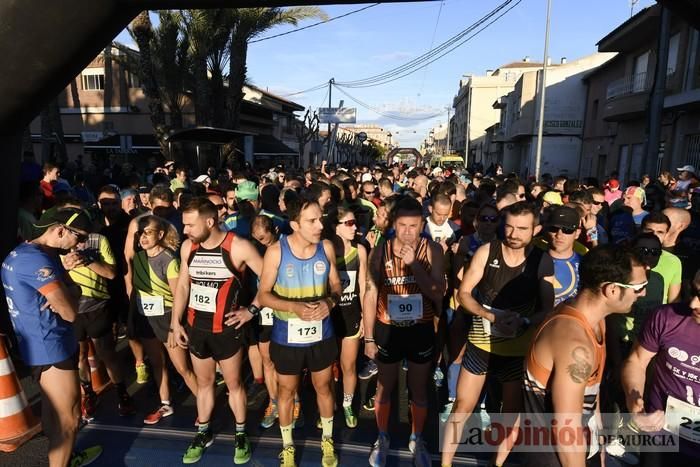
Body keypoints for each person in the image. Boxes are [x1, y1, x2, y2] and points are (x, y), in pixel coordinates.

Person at [441, 201, 555, 467]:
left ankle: (497, 463)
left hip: (516, 353)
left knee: (510, 416)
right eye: (510, 227)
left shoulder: (541, 259)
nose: (514, 234)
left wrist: (524, 321)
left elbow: (548, 310)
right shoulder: (486, 251)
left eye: (522, 229)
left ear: (535, 230)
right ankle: (445, 464)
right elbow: (464, 294)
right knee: (461, 407)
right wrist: (490, 316)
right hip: (481, 346)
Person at [520, 245, 647, 467]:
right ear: (612, 290)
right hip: (556, 457)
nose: (643, 293)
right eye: (639, 287)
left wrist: (598, 445)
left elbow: (590, 392)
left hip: (585, 447)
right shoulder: (574, 345)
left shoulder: (596, 321)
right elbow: (566, 431)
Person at [1, 208, 102, 467]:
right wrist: (71, 292)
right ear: (60, 230)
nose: (79, 246)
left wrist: (70, 290)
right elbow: (69, 312)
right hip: (51, 345)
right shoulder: (37, 262)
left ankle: (66, 457)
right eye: (79, 238)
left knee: (53, 416)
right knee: (69, 420)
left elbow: (69, 294)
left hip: (40, 343)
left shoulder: (28, 253)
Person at [170, 198, 263, 464]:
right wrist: (176, 323)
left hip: (226, 330)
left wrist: (251, 311)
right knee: (204, 383)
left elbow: (270, 278)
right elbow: (184, 287)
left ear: (209, 222)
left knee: (234, 384)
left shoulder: (238, 246)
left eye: (190, 224)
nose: (185, 229)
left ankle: (241, 433)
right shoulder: (188, 247)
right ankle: (203, 432)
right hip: (196, 328)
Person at [258, 196, 341, 467]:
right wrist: (293, 307)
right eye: (312, 221)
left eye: (321, 219)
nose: (320, 225)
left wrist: (330, 302)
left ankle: (327, 440)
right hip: (287, 336)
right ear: (295, 224)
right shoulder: (276, 252)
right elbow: (264, 295)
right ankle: (288, 446)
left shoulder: (326, 247)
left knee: (323, 387)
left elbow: (337, 286)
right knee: (286, 391)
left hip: (322, 333)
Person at [364, 196, 446, 467]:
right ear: (393, 225)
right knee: (384, 387)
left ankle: (417, 437)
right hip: (388, 328)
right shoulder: (381, 251)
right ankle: (383, 436)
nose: (408, 232)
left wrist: (414, 265)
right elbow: (370, 293)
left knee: (419, 390)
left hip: (420, 328)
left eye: (414, 226)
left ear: (422, 224)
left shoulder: (432, 250)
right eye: (402, 225)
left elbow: (437, 292)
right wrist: (368, 337)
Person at [621, 269, 700, 465]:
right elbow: (636, 361)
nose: (693, 304)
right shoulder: (666, 317)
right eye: (694, 291)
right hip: (659, 436)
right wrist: (635, 405)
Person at [130, 215, 198, 425]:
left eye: (148, 232)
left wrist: (174, 326)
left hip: (168, 317)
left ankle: (204, 406)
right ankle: (165, 403)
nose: (143, 237)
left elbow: (179, 294)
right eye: (141, 233)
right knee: (158, 364)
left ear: (160, 234)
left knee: (182, 368)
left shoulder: (169, 259)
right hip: (147, 318)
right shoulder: (138, 257)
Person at [329, 207, 367, 428]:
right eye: (349, 223)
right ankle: (328, 406)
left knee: (349, 365)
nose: (354, 227)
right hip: (330, 316)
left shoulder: (359, 251)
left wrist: (364, 316)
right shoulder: (325, 250)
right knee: (326, 367)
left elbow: (363, 286)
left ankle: (347, 403)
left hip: (351, 313)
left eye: (355, 223)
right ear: (336, 226)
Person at [535, 206, 584, 305]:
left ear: (577, 233)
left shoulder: (585, 264)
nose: (559, 234)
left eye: (567, 230)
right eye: (554, 229)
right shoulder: (532, 259)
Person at [641, 212, 682, 304]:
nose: (654, 235)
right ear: (641, 230)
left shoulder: (674, 261)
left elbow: (674, 301)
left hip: (658, 317)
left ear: (666, 235)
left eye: (660, 232)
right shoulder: (624, 255)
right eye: (649, 230)